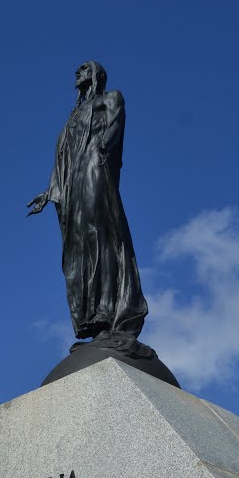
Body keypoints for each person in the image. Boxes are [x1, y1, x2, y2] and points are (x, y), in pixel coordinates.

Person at [28, 61, 149, 353]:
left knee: (101, 237)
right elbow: (64, 158)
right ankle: (94, 316)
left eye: (83, 69)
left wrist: (105, 146)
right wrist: (50, 191)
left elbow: (115, 126)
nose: (77, 73)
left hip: (96, 168)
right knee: (79, 243)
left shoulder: (110, 98)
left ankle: (109, 309)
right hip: (74, 182)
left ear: (95, 74)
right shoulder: (72, 118)